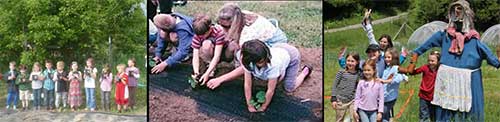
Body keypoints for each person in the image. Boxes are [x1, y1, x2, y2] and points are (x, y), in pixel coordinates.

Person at [410, 1, 500, 121]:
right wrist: (412, 61)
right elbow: (421, 48)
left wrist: (497, 60)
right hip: (447, 78)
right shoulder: (445, 36)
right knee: (445, 110)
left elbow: (493, 59)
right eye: (455, 10)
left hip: (468, 79)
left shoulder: (474, 40)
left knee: (467, 112)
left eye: (460, 9)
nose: (457, 13)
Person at [239, 40, 311, 112]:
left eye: (265, 59)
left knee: (289, 88)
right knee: (269, 77)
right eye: (261, 62)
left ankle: (305, 71)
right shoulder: (248, 62)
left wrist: (263, 107)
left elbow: (270, 90)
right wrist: (250, 105)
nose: (264, 62)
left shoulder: (273, 64)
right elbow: (247, 84)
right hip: (278, 51)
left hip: (292, 55)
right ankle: (282, 71)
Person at [190, 13, 237, 84]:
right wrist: (196, 73)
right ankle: (210, 64)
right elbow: (195, 56)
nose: (202, 37)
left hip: (223, 52)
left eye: (204, 34)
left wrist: (207, 73)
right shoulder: (198, 36)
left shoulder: (218, 32)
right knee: (206, 44)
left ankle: (232, 64)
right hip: (210, 53)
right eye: (200, 35)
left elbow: (217, 56)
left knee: (233, 45)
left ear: (210, 28)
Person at [399, 51, 441, 122]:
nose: (430, 62)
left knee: (434, 115)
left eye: (432, 61)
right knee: (423, 114)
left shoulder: (440, 70)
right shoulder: (425, 68)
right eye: (429, 60)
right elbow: (412, 72)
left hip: (435, 96)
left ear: (438, 61)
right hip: (424, 95)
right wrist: (412, 62)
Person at [331, 52, 362, 122]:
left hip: (352, 100)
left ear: (357, 62)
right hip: (341, 100)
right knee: (339, 119)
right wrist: (333, 98)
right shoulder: (341, 72)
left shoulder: (359, 73)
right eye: (348, 61)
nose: (350, 63)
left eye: (352, 61)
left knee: (355, 118)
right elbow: (334, 85)